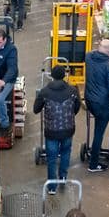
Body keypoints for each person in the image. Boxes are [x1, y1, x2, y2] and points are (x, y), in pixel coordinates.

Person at [34, 66, 81, 194]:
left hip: (51, 131)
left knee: (52, 158)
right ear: (64, 75)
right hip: (68, 129)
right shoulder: (73, 90)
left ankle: (52, 187)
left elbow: (36, 109)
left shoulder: (44, 92)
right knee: (65, 152)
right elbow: (77, 108)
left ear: (52, 76)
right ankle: (63, 177)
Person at [84, 40, 109, 172]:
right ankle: (93, 164)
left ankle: (92, 151)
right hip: (102, 103)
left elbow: (93, 53)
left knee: (94, 129)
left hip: (89, 100)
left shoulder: (88, 57)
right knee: (99, 133)